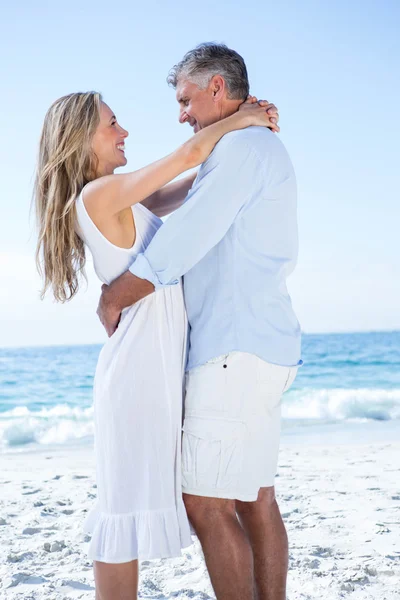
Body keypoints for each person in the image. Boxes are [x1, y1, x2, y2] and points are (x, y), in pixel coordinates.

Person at [34, 90, 279, 600]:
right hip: (136, 379)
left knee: (128, 512)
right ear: (81, 139)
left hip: (154, 374)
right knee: (120, 517)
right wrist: (245, 118)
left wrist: (241, 146)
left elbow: (191, 186)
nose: (124, 132)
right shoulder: (98, 198)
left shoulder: (117, 196)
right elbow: (185, 156)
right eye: (112, 124)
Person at [97, 43, 302, 600]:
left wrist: (117, 294)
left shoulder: (240, 150)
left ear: (217, 87)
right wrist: (244, 117)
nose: (181, 113)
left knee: (207, 504)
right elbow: (175, 195)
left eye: (186, 99)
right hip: (263, 346)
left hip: (232, 352)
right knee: (255, 497)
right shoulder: (248, 145)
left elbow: (182, 244)